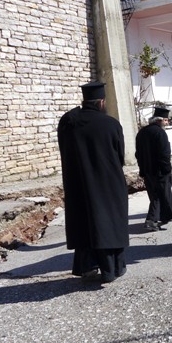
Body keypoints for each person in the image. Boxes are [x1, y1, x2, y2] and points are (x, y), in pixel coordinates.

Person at [57, 81, 128, 283]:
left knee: (84, 223)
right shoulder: (111, 124)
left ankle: (86, 266)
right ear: (102, 102)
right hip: (107, 184)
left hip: (78, 183)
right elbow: (120, 156)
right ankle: (109, 269)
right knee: (107, 225)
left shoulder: (68, 122)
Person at [135, 107, 172, 231]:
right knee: (159, 195)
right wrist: (167, 169)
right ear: (159, 120)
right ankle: (151, 220)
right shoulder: (160, 133)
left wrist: (142, 168)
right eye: (166, 120)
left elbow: (138, 153)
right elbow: (164, 153)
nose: (167, 123)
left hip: (147, 170)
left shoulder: (142, 132)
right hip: (160, 170)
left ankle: (163, 217)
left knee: (156, 194)